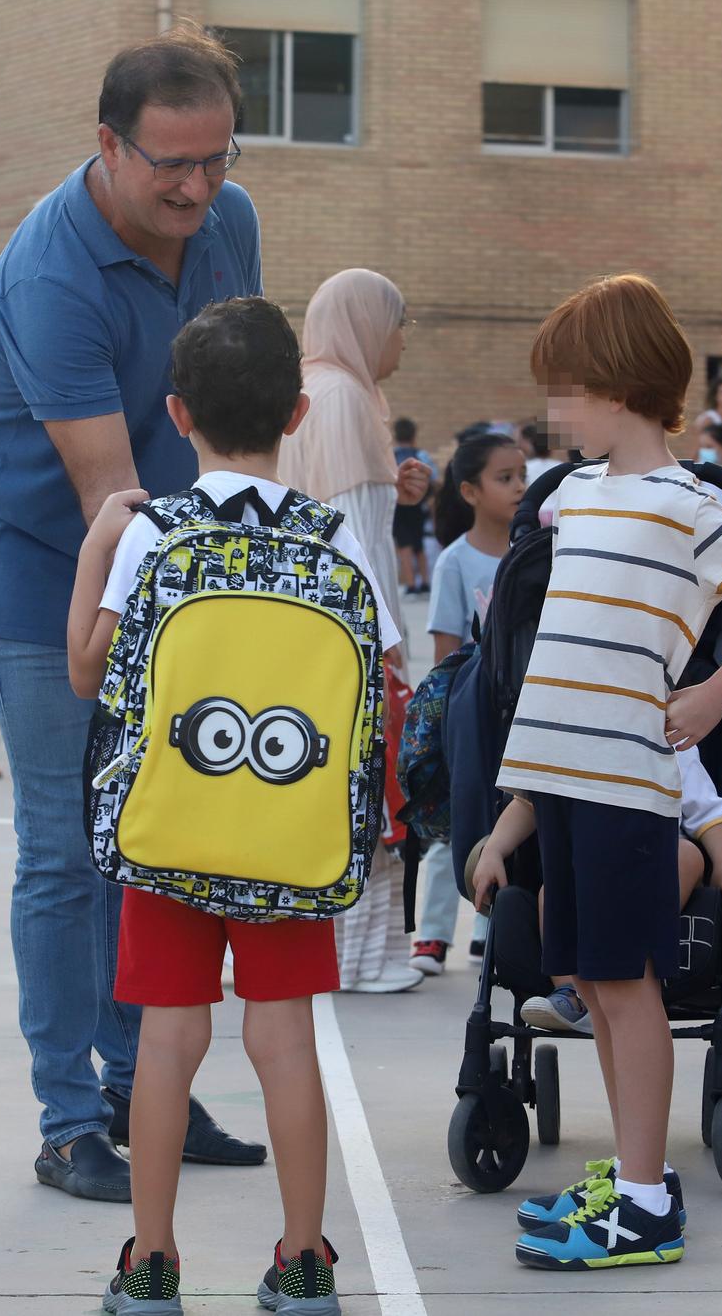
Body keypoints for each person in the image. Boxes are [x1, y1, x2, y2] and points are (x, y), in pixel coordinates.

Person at [0, 23, 268, 1203]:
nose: (195, 190)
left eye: (216, 161)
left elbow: (234, 409)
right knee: (65, 850)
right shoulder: (50, 275)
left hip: (166, 556)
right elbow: (108, 500)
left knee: (160, 842)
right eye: (168, 166)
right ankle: (67, 1118)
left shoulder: (226, 223)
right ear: (106, 145)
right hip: (52, 572)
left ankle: (150, 1087)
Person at [496, 273, 722, 1272]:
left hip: (624, 783)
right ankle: (631, 1172)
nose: (554, 412)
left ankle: (642, 1204)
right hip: (560, 774)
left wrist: (716, 692)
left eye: (566, 390)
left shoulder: (683, 502)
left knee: (625, 985)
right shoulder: (573, 495)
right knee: (595, 985)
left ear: (616, 384)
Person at [69, 297, 390, 1316]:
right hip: (289, 837)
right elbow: (379, 673)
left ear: (174, 412)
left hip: (168, 828)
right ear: (296, 415)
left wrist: (95, 548)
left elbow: (89, 672)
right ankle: (301, 1262)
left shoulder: (149, 532)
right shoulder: (334, 539)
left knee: (168, 1040)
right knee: (283, 1037)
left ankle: (152, 1264)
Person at [275, 266, 432, 994]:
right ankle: (364, 961)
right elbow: (352, 544)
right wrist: (388, 651)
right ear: (368, 323)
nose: (402, 340)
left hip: (323, 635)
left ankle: (355, 955)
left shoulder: (329, 389)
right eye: (398, 323)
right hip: (358, 638)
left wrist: (393, 491)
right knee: (370, 807)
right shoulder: (341, 399)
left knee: (348, 803)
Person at [488, 747, 722, 1042]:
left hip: (655, 850)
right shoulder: (570, 729)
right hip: (588, 860)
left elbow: (706, 809)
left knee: (688, 855)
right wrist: (495, 849)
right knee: (553, 889)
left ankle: (635, 962)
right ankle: (572, 994)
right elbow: (529, 802)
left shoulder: (674, 739)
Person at [409, 430, 525, 975]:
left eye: (522, 476)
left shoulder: (537, 553)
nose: (520, 487)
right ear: (470, 491)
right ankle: (432, 934)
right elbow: (445, 653)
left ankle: (489, 927)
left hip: (521, 710)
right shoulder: (455, 560)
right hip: (472, 709)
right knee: (455, 817)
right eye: (505, 478)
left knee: (505, 816)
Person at [391, 416, 434, 595]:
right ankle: (425, 582)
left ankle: (410, 585)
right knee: (418, 544)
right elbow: (433, 477)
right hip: (418, 504)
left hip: (398, 506)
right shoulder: (421, 455)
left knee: (404, 546)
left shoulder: (392, 456)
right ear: (414, 435)